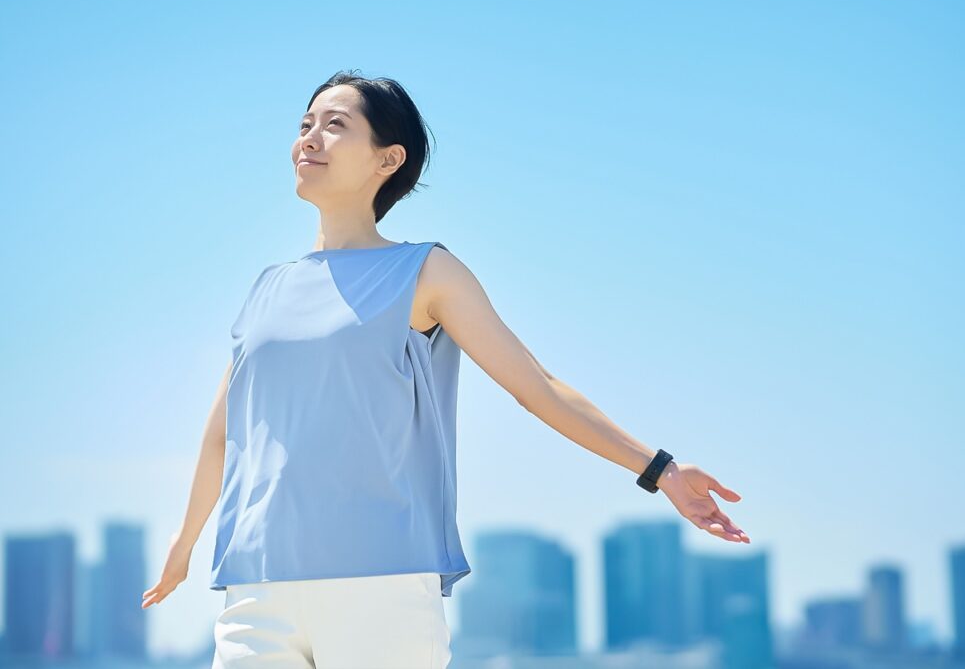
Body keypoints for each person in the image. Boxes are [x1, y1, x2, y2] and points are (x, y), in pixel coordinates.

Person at [140, 70, 751, 668]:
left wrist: (659, 469)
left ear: (388, 159)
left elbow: (536, 387)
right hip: (256, 587)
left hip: (380, 586)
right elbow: (225, 433)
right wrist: (185, 541)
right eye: (304, 125)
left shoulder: (425, 271)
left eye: (335, 125)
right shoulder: (266, 288)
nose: (310, 138)